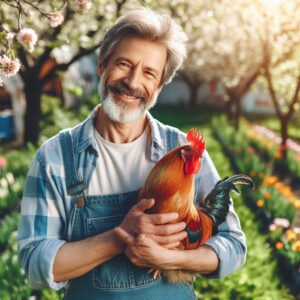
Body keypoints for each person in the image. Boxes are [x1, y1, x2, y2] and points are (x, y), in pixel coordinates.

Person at [17, 8, 246, 300]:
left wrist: (173, 260)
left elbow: (234, 246)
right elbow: (35, 264)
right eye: (124, 64)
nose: (133, 82)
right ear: (102, 65)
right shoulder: (55, 157)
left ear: (159, 87)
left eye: (149, 73)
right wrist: (118, 237)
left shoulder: (184, 151)